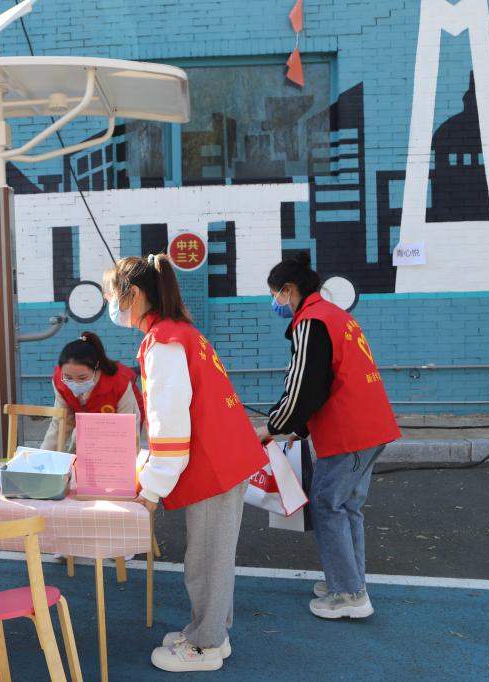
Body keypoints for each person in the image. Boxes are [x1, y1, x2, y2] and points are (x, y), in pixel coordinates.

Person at [104, 253, 266, 673]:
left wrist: (151, 488)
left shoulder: (164, 342)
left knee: (207, 562)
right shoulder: (180, 333)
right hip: (224, 459)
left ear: (133, 294)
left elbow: (170, 425)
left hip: (213, 466)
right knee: (213, 558)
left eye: (113, 295)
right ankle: (210, 633)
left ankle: (205, 645)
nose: (112, 305)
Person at [255, 251, 401, 620]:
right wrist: (296, 428)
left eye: (274, 294)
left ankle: (349, 595)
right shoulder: (336, 316)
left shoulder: (310, 321)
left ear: (288, 290)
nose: (275, 302)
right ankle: (349, 581)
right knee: (346, 507)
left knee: (326, 505)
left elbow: (303, 387)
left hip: (348, 432)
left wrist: (273, 427)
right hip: (370, 426)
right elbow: (323, 383)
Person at [40, 331, 144, 452]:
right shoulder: (59, 380)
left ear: (97, 368)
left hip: (122, 419)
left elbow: (128, 431)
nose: (75, 383)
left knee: (114, 452)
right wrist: (44, 456)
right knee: (79, 444)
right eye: (68, 377)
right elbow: (61, 423)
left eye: (82, 378)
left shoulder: (119, 382)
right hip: (86, 423)